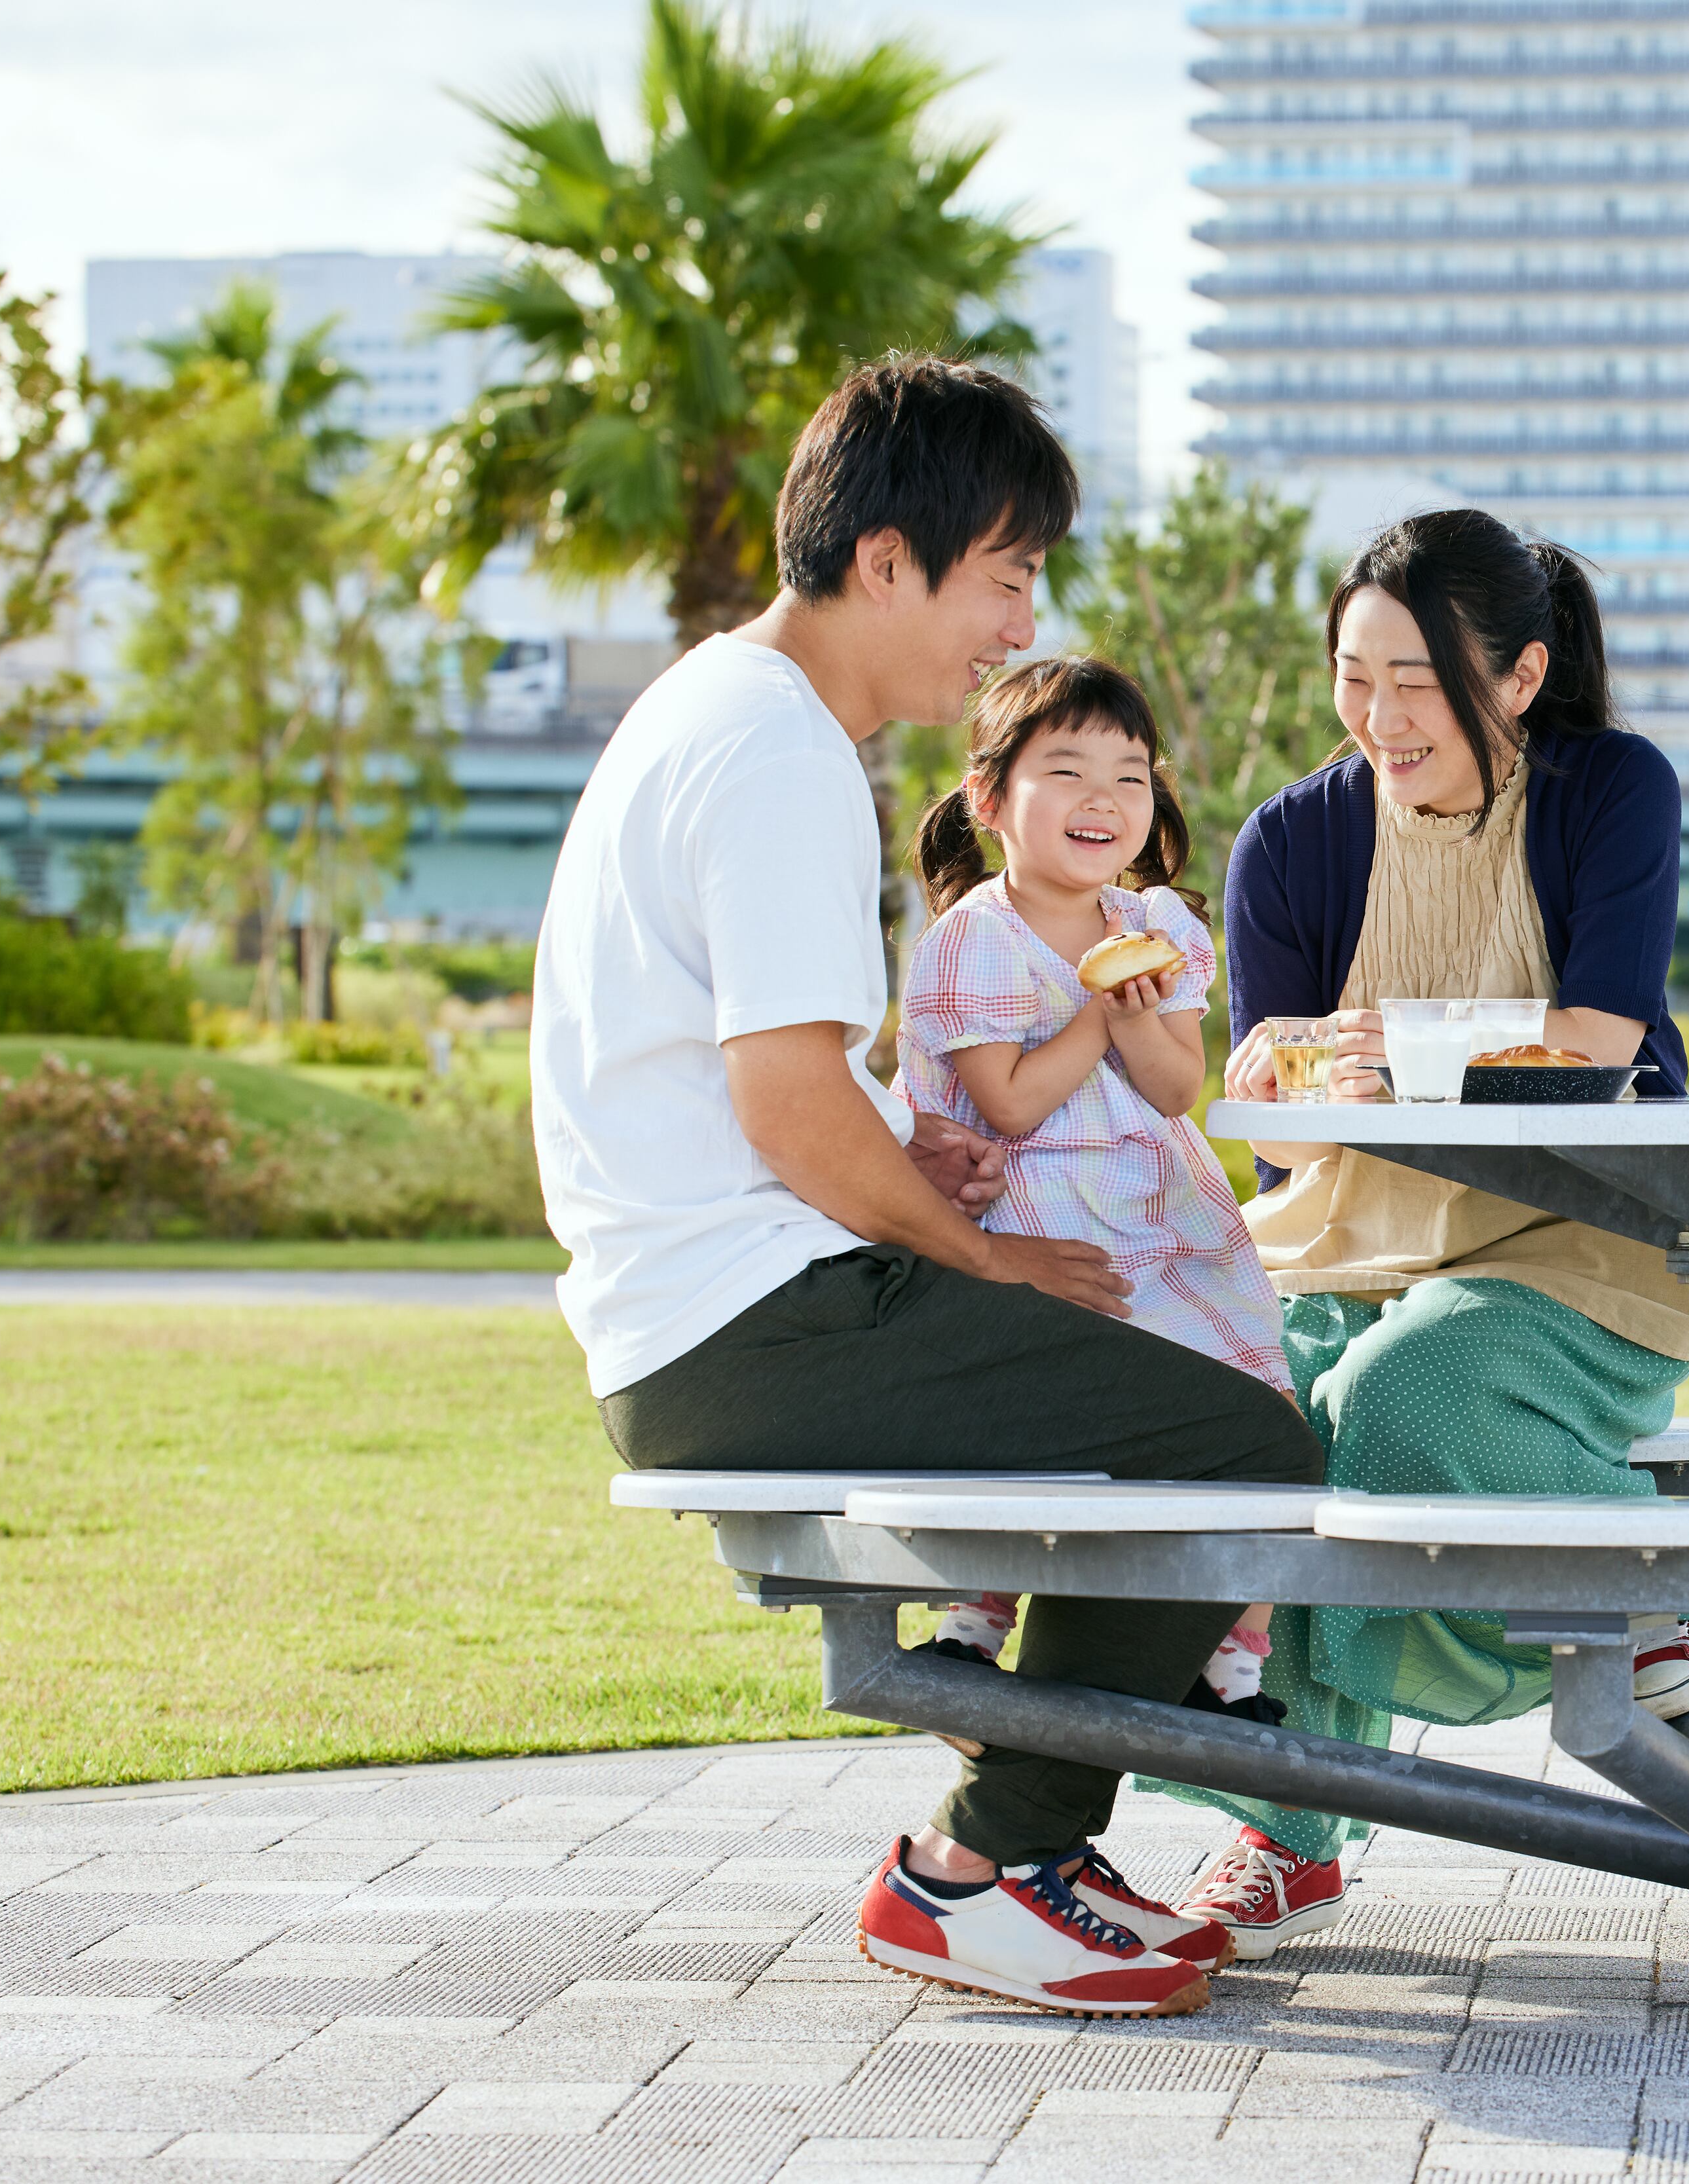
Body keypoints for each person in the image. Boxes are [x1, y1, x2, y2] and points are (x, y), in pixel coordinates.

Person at [529, 356, 1322, 2020]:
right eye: (1007, 577)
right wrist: (987, 1255)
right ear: (887, 559)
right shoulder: (780, 752)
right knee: (1239, 1439)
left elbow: (790, 1095)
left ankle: (1039, 1840)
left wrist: (913, 1148)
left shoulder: (715, 706)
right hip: (747, 1322)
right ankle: (982, 1869)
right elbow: (785, 1097)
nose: (1017, 629)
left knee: (1183, 1424)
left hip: (708, 1306)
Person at [1151, 507, 1689, 1959]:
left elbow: (1599, 1041)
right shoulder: (1295, 836)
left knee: (1403, 1398)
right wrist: (1271, 1080)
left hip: (1575, 1247)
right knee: (1241, 1418)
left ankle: (1671, 1586)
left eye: (1417, 680)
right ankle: (1288, 1827)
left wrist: (1388, 1046)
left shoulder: (1613, 790)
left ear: (1519, 677)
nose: (1380, 716)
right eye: (1356, 676)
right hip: (1343, 1236)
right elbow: (1276, 1130)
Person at [896, 655, 1291, 1716]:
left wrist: (1138, 1005)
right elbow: (1014, 1106)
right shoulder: (972, 940)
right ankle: (974, 1622)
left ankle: (1230, 1663)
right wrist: (1096, 1007)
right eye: (1067, 771)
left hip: (1159, 1210)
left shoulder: (1156, 926)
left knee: (1256, 1398)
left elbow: (1172, 1091)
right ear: (991, 800)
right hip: (1035, 1215)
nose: (1104, 800)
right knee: (1047, 1429)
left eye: (1129, 775)